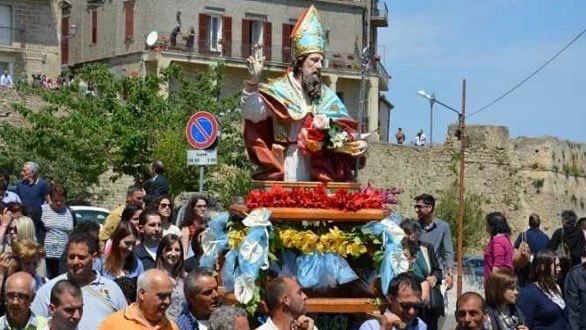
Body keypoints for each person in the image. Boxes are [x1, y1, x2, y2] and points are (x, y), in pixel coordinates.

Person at [241, 5, 367, 182]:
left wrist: (353, 142)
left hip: (321, 168)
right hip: (288, 163)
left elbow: (344, 129)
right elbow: (252, 113)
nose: (319, 66)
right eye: (314, 60)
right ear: (300, 63)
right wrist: (253, 80)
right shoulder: (279, 90)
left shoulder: (327, 96)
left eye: (321, 60)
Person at [31, 232, 127, 330]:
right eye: (71, 257)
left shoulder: (112, 290)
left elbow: (126, 325)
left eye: (81, 257)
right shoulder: (49, 289)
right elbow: (33, 325)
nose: (75, 262)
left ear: (93, 257)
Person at [99, 269, 178, 330]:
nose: (167, 301)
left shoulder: (172, 327)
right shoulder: (114, 324)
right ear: (142, 294)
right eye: (162, 296)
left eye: (169, 295)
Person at [400, 219, 443, 330]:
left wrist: (434, 277)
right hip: (407, 300)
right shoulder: (398, 250)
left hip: (427, 303)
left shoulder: (426, 248)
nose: (412, 235)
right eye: (408, 232)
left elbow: (437, 270)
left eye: (414, 232)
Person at [517, 250, 569, 329]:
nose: (559, 269)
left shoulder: (555, 288)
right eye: (556, 266)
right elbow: (526, 325)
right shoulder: (529, 294)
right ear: (543, 267)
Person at [359, 272, 426, 330]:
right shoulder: (370, 327)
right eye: (406, 305)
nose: (411, 312)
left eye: (416, 306)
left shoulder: (420, 326)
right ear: (391, 299)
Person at [414, 194, 454, 291]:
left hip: (436, 275)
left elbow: (448, 252)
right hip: (418, 275)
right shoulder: (414, 226)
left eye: (419, 207)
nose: (416, 210)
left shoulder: (443, 227)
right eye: (415, 207)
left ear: (429, 207)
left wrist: (449, 274)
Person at [41, 183, 75, 279]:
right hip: (46, 256)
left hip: (63, 257)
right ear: (50, 199)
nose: (59, 203)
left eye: (62, 200)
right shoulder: (42, 210)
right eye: (56, 201)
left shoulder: (70, 212)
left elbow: (72, 233)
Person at [14, 161, 50, 240]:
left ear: (32, 173)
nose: (21, 173)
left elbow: (49, 202)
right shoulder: (20, 185)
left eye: (24, 171)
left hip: (38, 226)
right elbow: (16, 203)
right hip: (23, 224)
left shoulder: (43, 184)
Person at [155, 234, 185, 320]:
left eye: (177, 250)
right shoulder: (155, 278)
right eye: (169, 249)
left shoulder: (185, 278)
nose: (173, 253)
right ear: (161, 252)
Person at [484, 212, 513, 283]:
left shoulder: (498, 241)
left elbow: (498, 264)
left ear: (493, 226)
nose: (486, 226)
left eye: (487, 224)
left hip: (498, 284)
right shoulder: (504, 239)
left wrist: (492, 284)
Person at [180, 193, 209, 259]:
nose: (203, 209)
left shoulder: (208, 225)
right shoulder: (186, 228)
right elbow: (184, 253)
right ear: (192, 208)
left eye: (205, 206)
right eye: (199, 206)